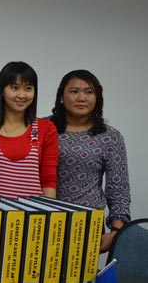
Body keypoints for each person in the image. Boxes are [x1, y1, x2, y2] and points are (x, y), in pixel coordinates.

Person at [49, 69, 131, 252]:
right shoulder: (44, 129)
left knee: (78, 280)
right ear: (61, 97)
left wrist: (116, 230)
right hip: (43, 221)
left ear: (97, 98)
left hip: (86, 226)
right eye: (74, 91)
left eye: (89, 92)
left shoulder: (110, 137)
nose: (81, 98)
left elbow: (119, 189)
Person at [0, 61, 58, 199]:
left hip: (34, 217)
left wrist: (48, 216)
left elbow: (48, 180)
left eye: (28, 88)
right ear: (2, 90)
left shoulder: (46, 129)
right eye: (15, 88)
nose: (22, 95)